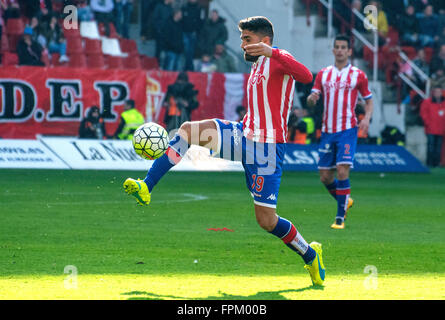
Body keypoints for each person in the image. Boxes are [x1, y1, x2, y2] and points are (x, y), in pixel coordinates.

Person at [122, 16, 325, 286]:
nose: (242, 45)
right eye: (242, 39)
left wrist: (272, 52)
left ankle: (311, 255)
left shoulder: (279, 57)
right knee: (187, 130)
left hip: (267, 149)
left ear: (264, 41)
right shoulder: (256, 67)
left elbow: (307, 76)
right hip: (242, 135)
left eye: (247, 39)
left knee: (266, 220)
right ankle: (146, 185)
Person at [307, 34, 374, 230]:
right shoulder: (323, 74)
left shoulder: (358, 75)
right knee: (325, 176)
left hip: (347, 128)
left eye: (343, 47)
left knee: (343, 169)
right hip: (328, 129)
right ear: (333, 50)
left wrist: (367, 119)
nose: (340, 50)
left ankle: (339, 218)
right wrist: (312, 98)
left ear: (349, 51)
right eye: (337, 47)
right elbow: (314, 93)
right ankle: (345, 200)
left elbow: (368, 99)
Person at [420, 85, 445, 167]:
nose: (438, 94)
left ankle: (436, 163)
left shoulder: (443, 103)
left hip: (441, 130)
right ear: (433, 93)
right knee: (430, 146)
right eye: (436, 92)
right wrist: (428, 123)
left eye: (439, 92)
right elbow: (423, 114)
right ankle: (429, 163)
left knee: (438, 148)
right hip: (430, 129)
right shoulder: (427, 102)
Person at [181, 0, 203, 71]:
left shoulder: (199, 9)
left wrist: (197, 31)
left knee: (191, 51)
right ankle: (189, 67)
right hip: (185, 32)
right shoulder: (184, 8)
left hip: (193, 33)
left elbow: (201, 22)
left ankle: (188, 68)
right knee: (186, 50)